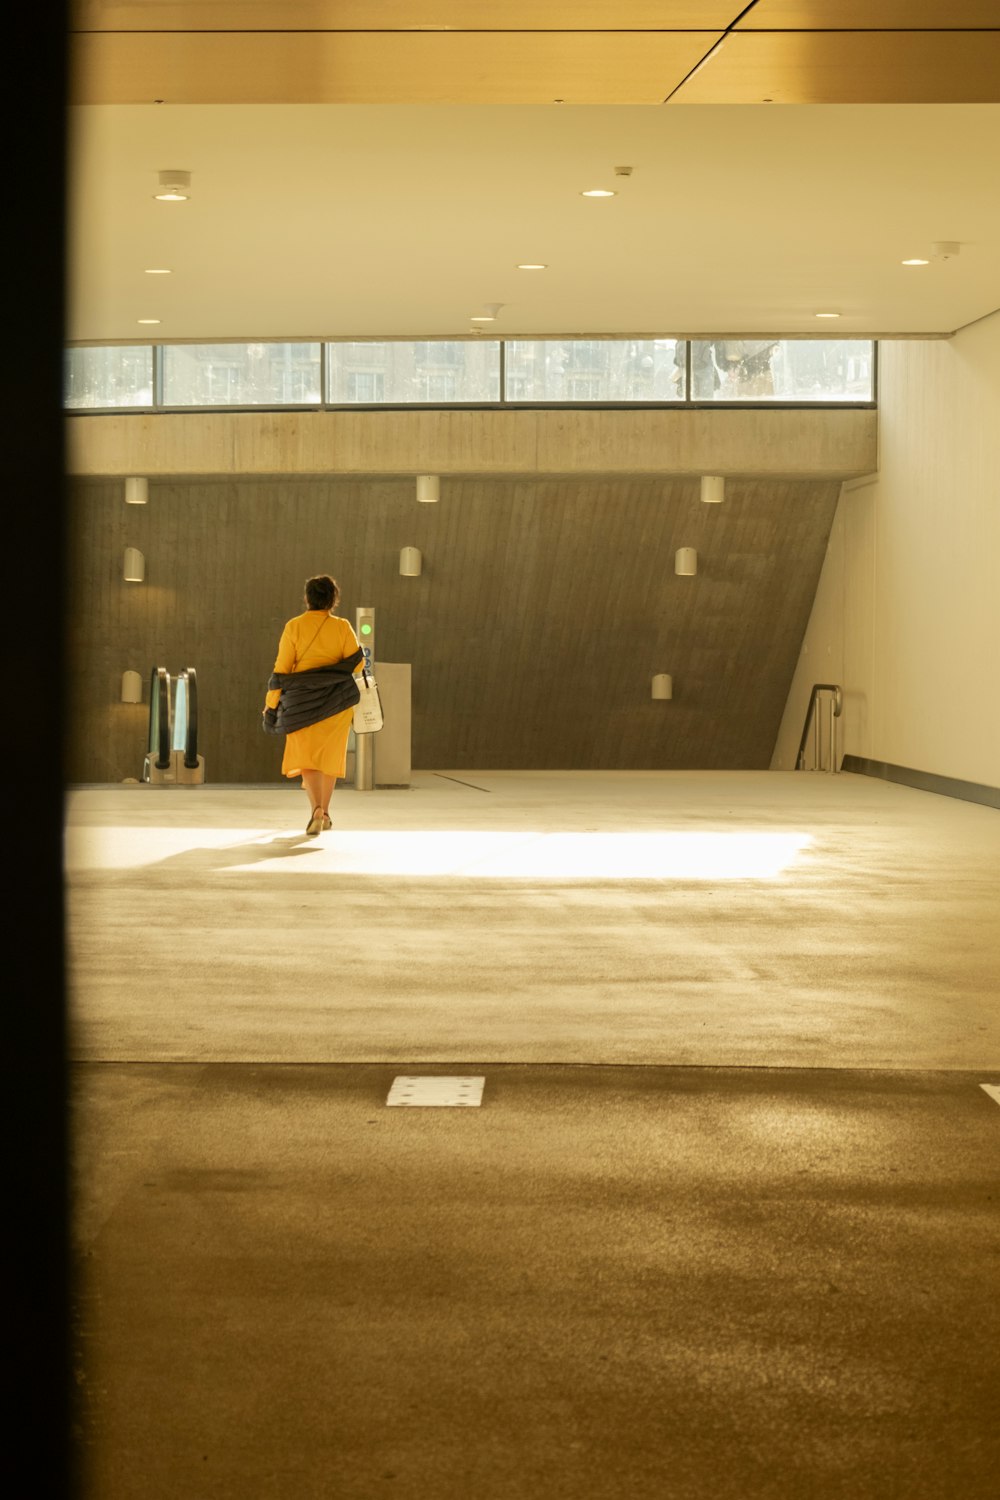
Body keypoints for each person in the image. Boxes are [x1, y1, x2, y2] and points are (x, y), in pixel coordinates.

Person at [263, 574, 364, 836]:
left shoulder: (294, 626)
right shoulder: (342, 627)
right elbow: (358, 663)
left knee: (306, 759)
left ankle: (316, 810)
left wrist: (271, 704)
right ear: (333, 599)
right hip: (336, 703)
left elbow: (282, 669)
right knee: (329, 758)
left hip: (301, 704)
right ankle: (326, 812)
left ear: (307, 598)